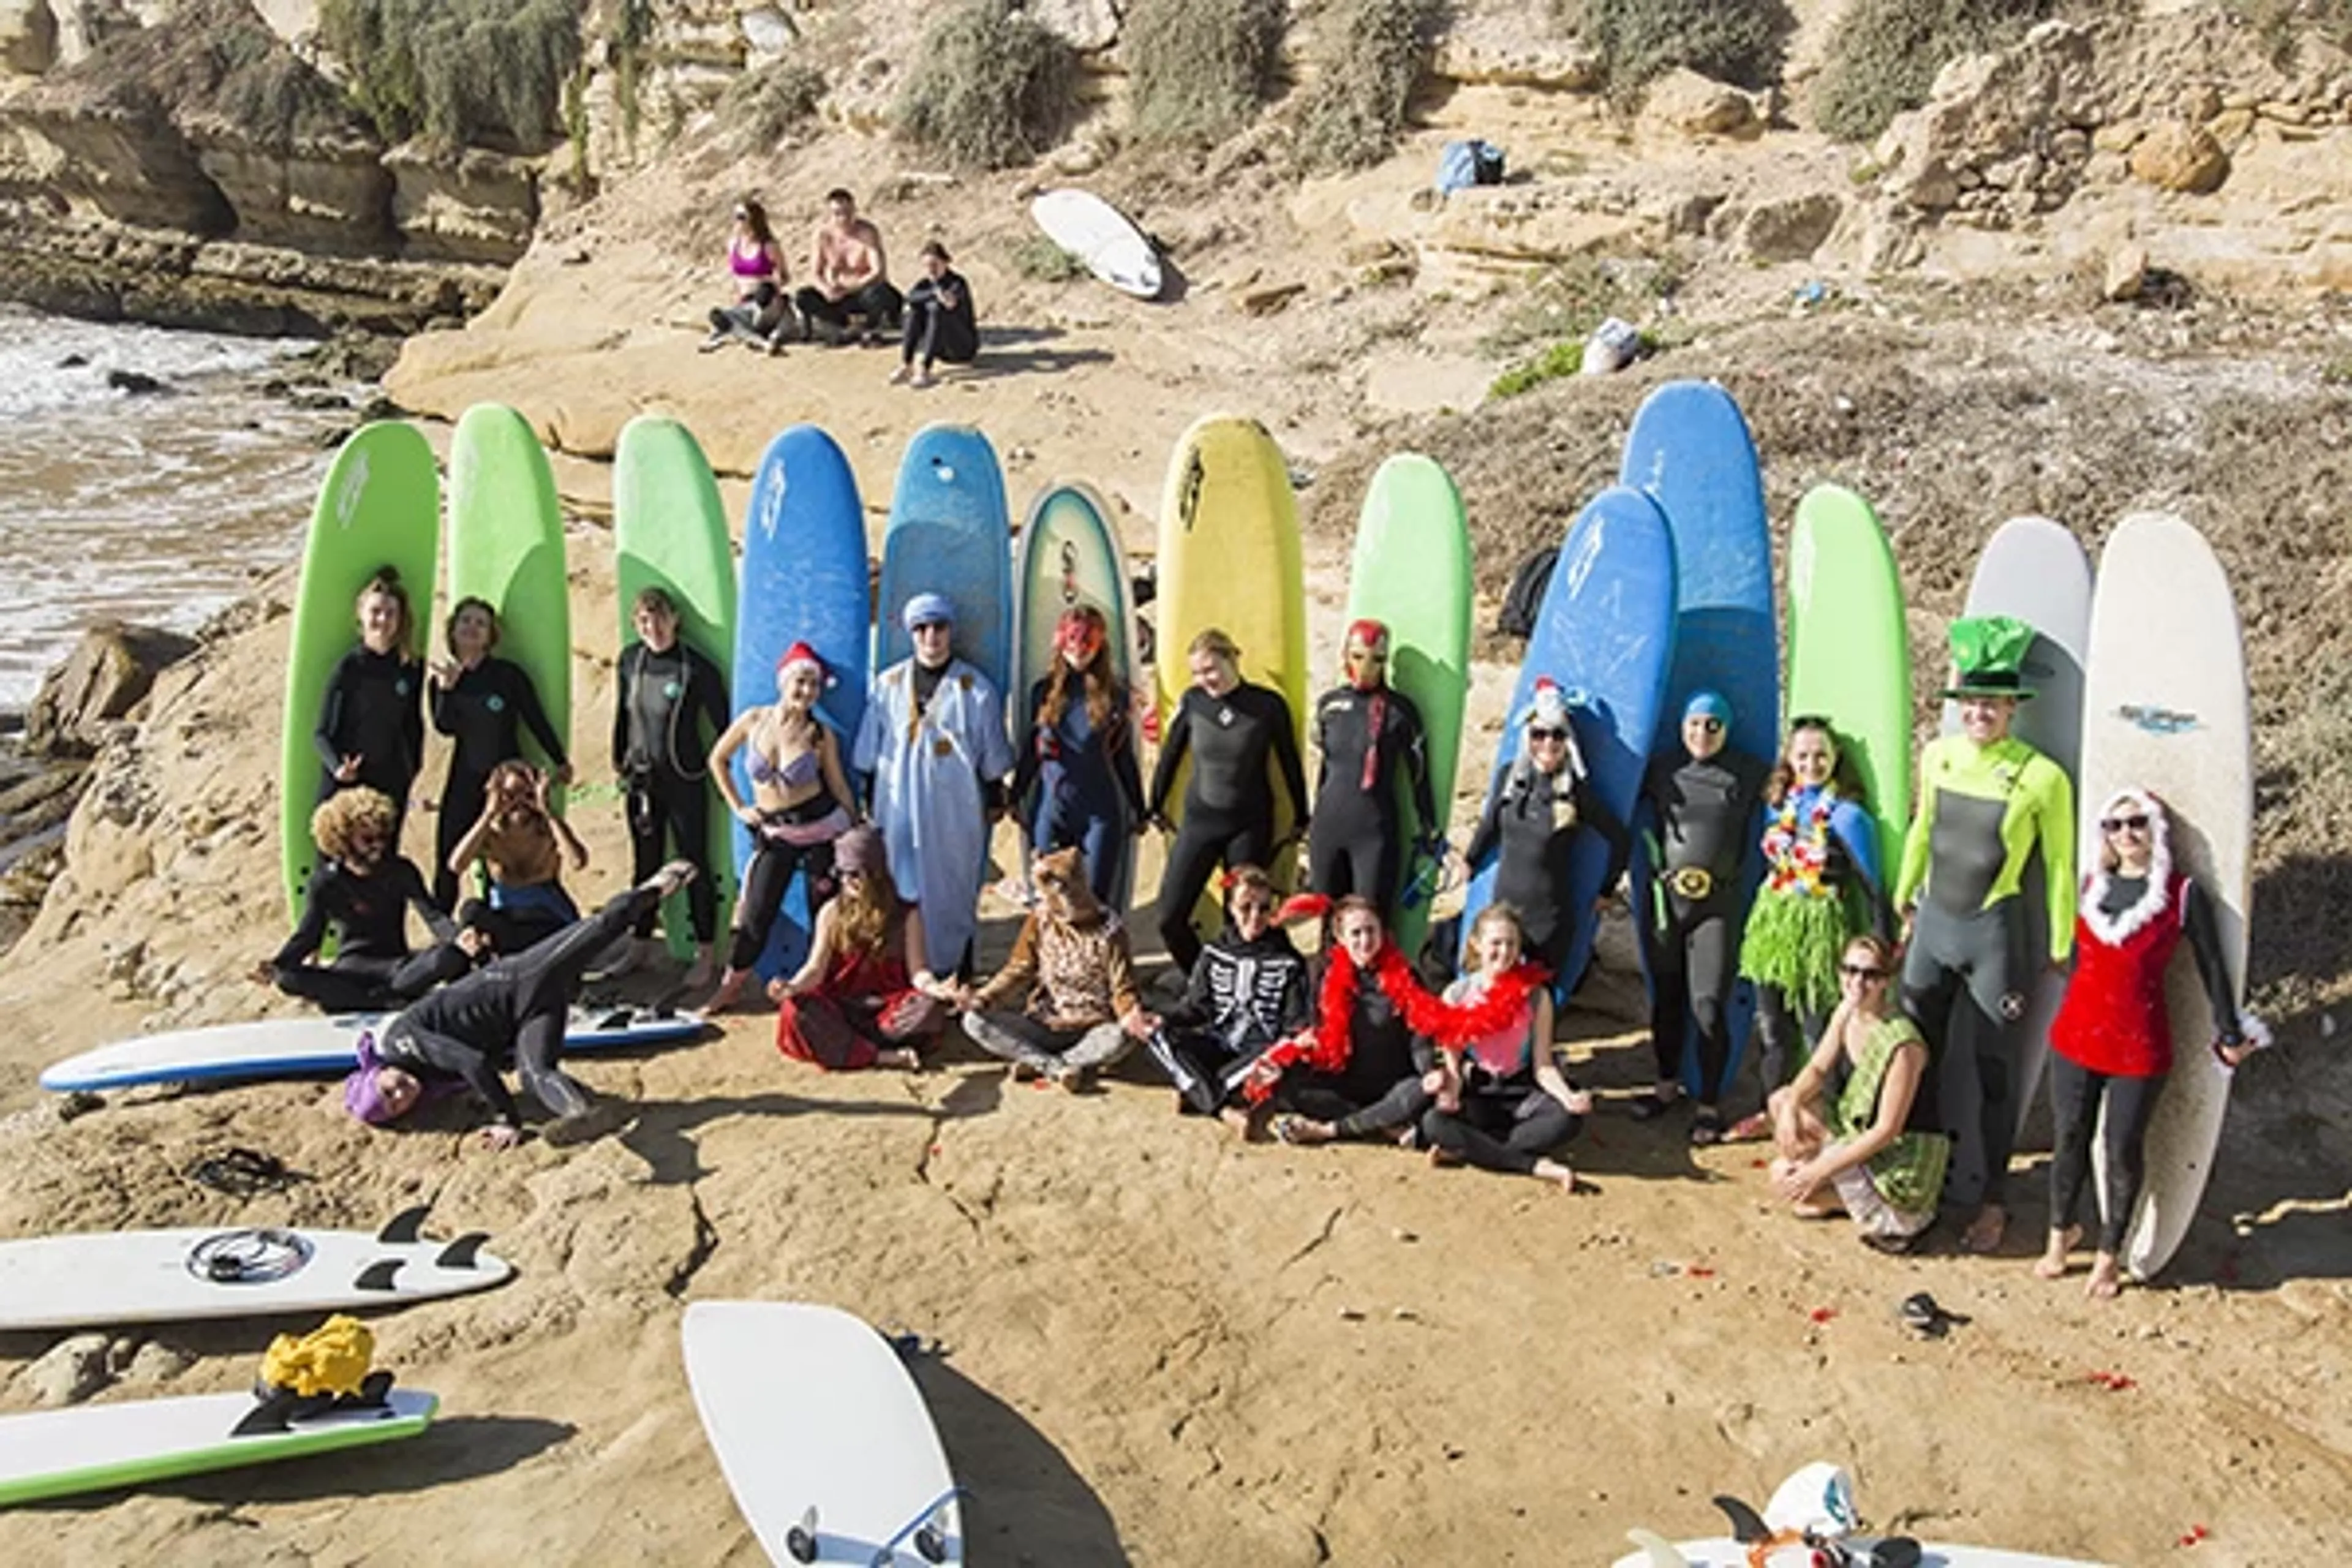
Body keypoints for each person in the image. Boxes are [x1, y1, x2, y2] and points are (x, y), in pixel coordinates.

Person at [2037, 788, 2261, 1298]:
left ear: (2155, 830)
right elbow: (2075, 959)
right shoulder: (2094, 884)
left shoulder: (2181, 895)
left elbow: (2211, 965)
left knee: (2121, 1149)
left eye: (2136, 823)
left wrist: (2230, 1030)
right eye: (2113, 826)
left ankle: (2108, 1252)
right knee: (2070, 1135)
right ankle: (2060, 1234)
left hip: (2139, 1044)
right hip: (2075, 1035)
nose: (2126, 834)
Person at [1896, 615, 2075, 1254]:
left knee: (1994, 1070)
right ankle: (1916, 1177)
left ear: (2012, 709)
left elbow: (2058, 863)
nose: (1981, 712)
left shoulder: (2042, 777)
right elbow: (1923, 829)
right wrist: (1902, 890)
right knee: (1915, 1052)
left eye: (1993, 704)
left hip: (1995, 938)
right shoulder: (1938, 756)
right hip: (1933, 926)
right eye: (1971, 702)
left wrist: (2060, 941)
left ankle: (1993, 1199)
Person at [342, 861, 698, 1149]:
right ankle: (584, 1114)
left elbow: (473, 1062)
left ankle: (659, 885)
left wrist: (506, 1120)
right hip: (528, 1011)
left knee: (601, 928)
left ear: (378, 1072)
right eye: (396, 1104)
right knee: (535, 1075)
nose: (401, 1092)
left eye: (389, 1089)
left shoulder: (401, 1042)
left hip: (520, 977)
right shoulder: (425, 1077)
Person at [1729, 716, 1887, 1139]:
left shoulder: (1849, 818)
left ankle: (1829, 1123)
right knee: (1772, 1030)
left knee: (1820, 1034)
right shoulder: (1778, 806)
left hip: (1821, 932)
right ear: (1789, 759)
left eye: (1821, 755)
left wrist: (1881, 945)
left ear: (1836, 760)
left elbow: (1874, 887)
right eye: (1803, 755)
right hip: (1772, 929)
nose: (1812, 763)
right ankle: (1774, 1111)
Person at [853, 593, 1016, 979]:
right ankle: (902, 973)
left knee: (952, 893)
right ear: (911, 633)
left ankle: (956, 970)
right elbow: (868, 756)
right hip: (896, 811)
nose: (931, 637)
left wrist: (995, 798)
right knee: (897, 889)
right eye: (922, 628)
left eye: (939, 627)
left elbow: (992, 762)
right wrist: (868, 800)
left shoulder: (976, 690)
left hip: (953, 814)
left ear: (950, 631)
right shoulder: (887, 686)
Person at [1633, 690, 1770, 1144]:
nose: (1702, 734)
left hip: (1718, 907)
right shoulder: (1662, 768)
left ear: (1726, 730)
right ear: (1682, 726)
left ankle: (1709, 1103)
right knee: (1666, 996)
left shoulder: (1747, 773)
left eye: (1713, 726)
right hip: (1667, 904)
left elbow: (1788, 804)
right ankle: (1666, 1084)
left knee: (1708, 1004)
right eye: (1694, 724)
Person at [1766, 935, 1951, 1251]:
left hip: (1898, 1159)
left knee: (1790, 1182)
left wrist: (1818, 1171)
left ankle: (1833, 1194)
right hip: (1861, 1135)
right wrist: (1790, 1108)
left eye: (1870, 975)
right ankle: (1833, 1190)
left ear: (1886, 982)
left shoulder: (1903, 1046)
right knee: (1783, 1100)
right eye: (1850, 970)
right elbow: (1817, 1070)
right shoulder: (1847, 1012)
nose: (1857, 981)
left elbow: (1887, 1129)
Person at [1147, 628, 1310, 974]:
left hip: (1249, 825)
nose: (1205, 679)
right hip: (1199, 822)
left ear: (1232, 659)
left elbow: (1289, 762)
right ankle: (1200, 981)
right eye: (1197, 673)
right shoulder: (1194, 702)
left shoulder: (1267, 706)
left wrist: (1302, 814)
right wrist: (1155, 802)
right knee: (1170, 916)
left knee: (1240, 921)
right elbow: (1171, 755)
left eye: (1211, 669)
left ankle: (1235, 989)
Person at [706, 641, 858, 1012]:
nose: (807, 692)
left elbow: (837, 785)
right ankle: (730, 988)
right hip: (775, 833)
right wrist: (739, 808)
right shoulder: (753, 720)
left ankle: (826, 988)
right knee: (756, 912)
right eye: (801, 682)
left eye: (814, 685)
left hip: (822, 827)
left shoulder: (821, 736)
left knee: (825, 910)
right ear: (783, 681)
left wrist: (855, 827)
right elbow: (718, 759)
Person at [1455, 677, 1629, 982]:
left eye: (1557, 736)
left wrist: (1606, 890)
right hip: (1503, 912)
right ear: (1527, 738)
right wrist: (1468, 861)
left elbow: (1620, 839)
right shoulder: (1510, 778)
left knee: (1538, 1004)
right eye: (1539, 735)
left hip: (1548, 918)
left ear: (1568, 742)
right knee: (1494, 998)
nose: (1548, 744)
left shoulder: (1576, 791)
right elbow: (1490, 825)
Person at [951, 846, 1156, 1091]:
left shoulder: (1110, 931)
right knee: (974, 1022)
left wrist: (1130, 1015)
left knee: (1119, 1038)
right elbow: (1018, 970)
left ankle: (1047, 1062)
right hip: (1044, 1023)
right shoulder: (1040, 919)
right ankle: (1054, 1066)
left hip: (1092, 1029)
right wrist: (983, 998)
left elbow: (1123, 987)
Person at [258, 786, 475, 1012]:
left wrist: (459, 937)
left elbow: (433, 916)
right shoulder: (327, 882)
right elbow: (308, 936)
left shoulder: (400, 870)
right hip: (349, 969)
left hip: (396, 967)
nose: (377, 846)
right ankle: (382, 1001)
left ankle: (370, 999)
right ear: (343, 838)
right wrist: (277, 964)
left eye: (382, 837)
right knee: (287, 978)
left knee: (449, 957)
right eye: (368, 839)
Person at [1420, 905, 1588, 1192]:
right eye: (1496, 943)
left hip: (1522, 1092)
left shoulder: (1536, 996)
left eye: (1512, 943)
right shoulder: (1457, 995)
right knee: (1433, 1122)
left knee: (1569, 1119)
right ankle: (1534, 1166)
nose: (1504, 952)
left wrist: (1568, 1096)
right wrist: (1450, 1093)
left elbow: (1544, 1066)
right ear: (1476, 944)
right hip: (1479, 1092)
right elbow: (1453, 1065)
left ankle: (1472, 1149)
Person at [1251, 897, 1439, 1147]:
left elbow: (1420, 1037)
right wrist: (1289, 1056)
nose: (1365, 941)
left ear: (1383, 932)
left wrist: (1429, 1071)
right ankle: (1381, 1123)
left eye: (1371, 930)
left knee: (1421, 1089)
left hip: (1392, 1082)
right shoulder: (1322, 973)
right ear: (1340, 937)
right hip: (1342, 1081)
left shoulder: (1406, 975)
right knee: (1285, 1084)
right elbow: (1308, 1028)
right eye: (1356, 933)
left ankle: (1328, 1130)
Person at [612, 586, 729, 985]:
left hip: (685, 779)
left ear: (676, 619)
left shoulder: (696, 667)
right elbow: (622, 718)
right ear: (636, 624)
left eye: (660, 617)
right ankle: (640, 945)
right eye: (645, 620)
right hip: (642, 781)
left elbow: (724, 726)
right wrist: (619, 762)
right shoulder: (631, 661)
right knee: (645, 865)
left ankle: (706, 952)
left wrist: (726, 774)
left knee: (693, 862)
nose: (654, 627)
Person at [426, 596, 570, 911]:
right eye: (466, 621)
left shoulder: (507, 676)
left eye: (481, 623)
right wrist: (447, 691)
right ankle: (443, 940)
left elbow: (535, 718)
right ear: (452, 630)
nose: (472, 628)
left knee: (503, 858)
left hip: (508, 782)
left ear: (491, 636)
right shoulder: (442, 677)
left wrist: (559, 759)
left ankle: (504, 929)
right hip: (465, 777)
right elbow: (444, 727)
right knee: (448, 858)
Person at [1144, 864, 1313, 1128]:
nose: (1255, 917)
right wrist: (1158, 1017)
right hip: (1218, 1045)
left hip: (1260, 1055)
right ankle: (1223, 1109)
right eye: (1246, 907)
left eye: (1264, 908)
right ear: (1231, 908)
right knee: (1157, 1037)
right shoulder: (1214, 952)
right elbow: (1195, 1009)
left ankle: (1197, 1091)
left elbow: (1295, 1025)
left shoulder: (1288, 961)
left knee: (1276, 1056)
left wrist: (1294, 1042)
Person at [771, 824, 951, 1072]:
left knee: (929, 1007)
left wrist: (936, 989)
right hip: (841, 1006)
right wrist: (792, 987)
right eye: (842, 874)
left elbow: (918, 971)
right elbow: (815, 969)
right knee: (795, 1009)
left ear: (875, 873)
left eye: (855, 873)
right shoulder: (832, 912)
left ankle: (851, 1047)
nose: (848, 881)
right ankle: (880, 1056)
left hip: (888, 1009)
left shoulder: (906, 914)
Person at [1009, 605, 1145, 908]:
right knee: (1052, 902)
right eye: (1072, 641)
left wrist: (1140, 806)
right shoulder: (1043, 692)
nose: (1080, 650)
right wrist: (1015, 794)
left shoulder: (1115, 695)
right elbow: (1031, 753)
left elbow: (1123, 757)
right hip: (1050, 811)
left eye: (1088, 643)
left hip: (1099, 814)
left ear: (1100, 645)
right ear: (1061, 642)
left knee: (1094, 904)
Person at [1308, 619, 1439, 923]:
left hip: (1374, 833)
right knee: (1329, 923)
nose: (1366, 668)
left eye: (1377, 660)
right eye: (1358, 657)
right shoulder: (1330, 705)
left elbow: (1419, 776)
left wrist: (1430, 829)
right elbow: (1325, 770)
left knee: (1372, 923)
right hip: (1328, 827)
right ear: (1345, 655)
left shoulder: (1401, 711)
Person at [445, 760, 590, 957]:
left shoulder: (547, 830)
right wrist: (488, 814)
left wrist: (548, 812)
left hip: (545, 915)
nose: (519, 804)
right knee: (471, 910)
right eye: (511, 796)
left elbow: (578, 862)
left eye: (528, 795)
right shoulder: (491, 835)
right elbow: (456, 865)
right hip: (507, 916)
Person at [315, 567, 425, 820]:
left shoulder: (411, 669)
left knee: (384, 855)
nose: (383, 620)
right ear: (361, 616)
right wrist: (338, 767)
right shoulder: (350, 669)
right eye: (376, 612)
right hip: (347, 783)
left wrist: (413, 773)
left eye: (391, 613)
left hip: (391, 781)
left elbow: (414, 727)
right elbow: (322, 734)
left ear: (401, 620)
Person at [796, 187, 902, 345]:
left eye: (847, 212)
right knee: (803, 296)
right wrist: (826, 289)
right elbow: (815, 272)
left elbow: (878, 271)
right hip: (838, 295)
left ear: (854, 210)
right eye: (837, 214)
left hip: (862, 292)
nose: (843, 218)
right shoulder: (823, 235)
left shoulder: (867, 232)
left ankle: (869, 327)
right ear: (830, 215)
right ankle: (838, 326)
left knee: (878, 293)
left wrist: (852, 287)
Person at [702, 196, 794, 354]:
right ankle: (760, 342)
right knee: (718, 316)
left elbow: (785, 276)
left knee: (763, 293)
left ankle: (744, 336)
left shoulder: (769, 246)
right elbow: (736, 278)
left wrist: (774, 285)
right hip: (746, 303)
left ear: (753, 219)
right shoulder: (733, 244)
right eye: (736, 217)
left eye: (741, 217)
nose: (737, 221)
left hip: (766, 302)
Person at [889, 240, 978, 388]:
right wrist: (934, 293)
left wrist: (938, 298)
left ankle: (925, 368)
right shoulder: (924, 284)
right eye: (926, 266)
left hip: (962, 347)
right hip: (941, 350)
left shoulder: (957, 283)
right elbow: (910, 298)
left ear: (945, 263)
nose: (931, 270)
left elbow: (950, 302)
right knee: (913, 311)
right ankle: (907, 364)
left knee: (936, 309)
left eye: (934, 265)